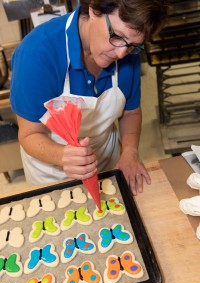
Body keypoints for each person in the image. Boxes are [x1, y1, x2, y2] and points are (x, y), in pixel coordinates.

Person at [10, 0, 169, 195]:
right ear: (94, 9)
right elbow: (29, 135)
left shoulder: (128, 52)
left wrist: (129, 152)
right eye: (117, 37)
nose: (121, 53)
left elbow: (131, 112)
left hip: (106, 162)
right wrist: (62, 156)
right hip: (53, 172)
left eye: (133, 46)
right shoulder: (37, 54)